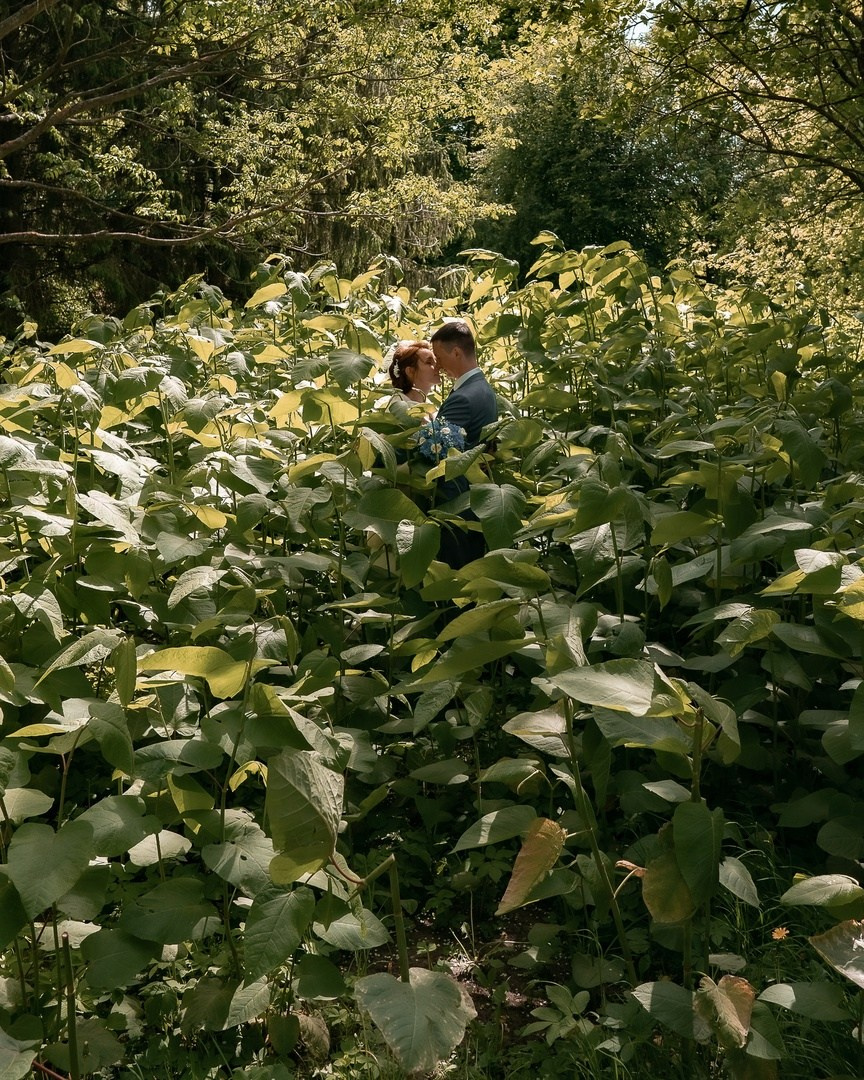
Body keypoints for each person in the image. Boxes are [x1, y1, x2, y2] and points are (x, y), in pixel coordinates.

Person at [429, 319, 498, 566]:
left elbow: (436, 448)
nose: (437, 365)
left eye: (439, 357)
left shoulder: (464, 398)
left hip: (457, 502)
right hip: (475, 500)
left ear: (456, 352)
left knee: (455, 571)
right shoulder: (482, 389)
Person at [386, 339, 438, 416]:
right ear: (410, 371)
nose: (438, 366)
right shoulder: (398, 407)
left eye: (436, 361)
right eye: (429, 362)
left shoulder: (429, 405)